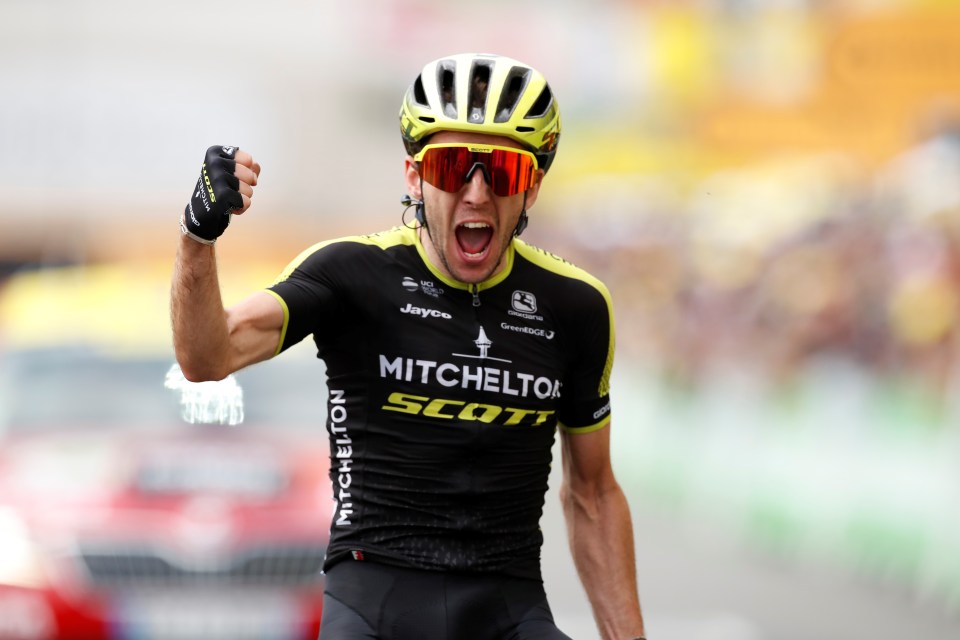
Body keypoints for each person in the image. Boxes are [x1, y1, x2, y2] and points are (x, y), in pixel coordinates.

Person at [171, 52, 646, 640]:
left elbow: (594, 494)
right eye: (450, 167)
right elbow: (206, 357)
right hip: (374, 603)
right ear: (415, 177)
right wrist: (198, 235)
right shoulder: (352, 272)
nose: (475, 194)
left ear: (533, 187)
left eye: (501, 171)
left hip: (509, 608)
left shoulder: (576, 305)